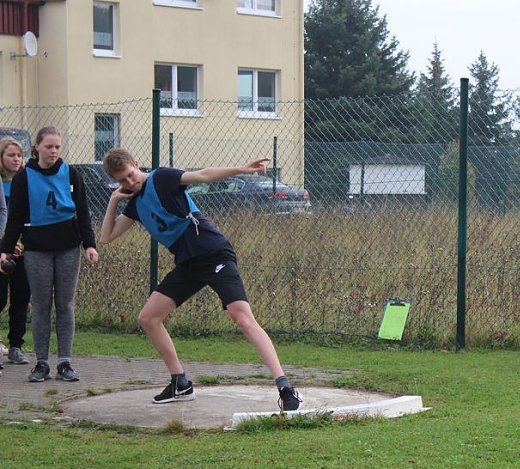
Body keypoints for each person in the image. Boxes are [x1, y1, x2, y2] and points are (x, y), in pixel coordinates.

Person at [99, 148, 302, 410]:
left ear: (136, 164)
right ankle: (180, 383)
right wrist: (114, 201)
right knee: (148, 318)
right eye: (122, 181)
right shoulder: (135, 205)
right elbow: (106, 236)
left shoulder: (161, 178)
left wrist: (241, 169)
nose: (129, 183)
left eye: (130, 175)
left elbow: (204, 176)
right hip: (188, 263)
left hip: (212, 252)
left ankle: (285, 387)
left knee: (242, 317)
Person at [0, 127, 99, 382]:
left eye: (57, 146)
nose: (53, 151)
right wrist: (5, 249)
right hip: (36, 250)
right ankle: (41, 363)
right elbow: (16, 217)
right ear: (37, 148)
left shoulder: (71, 174)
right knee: (42, 306)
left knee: (65, 305)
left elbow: (83, 212)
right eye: (48, 147)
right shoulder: (24, 177)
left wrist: (89, 244)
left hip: (68, 247)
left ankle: (65, 362)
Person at [0, 138, 32, 367]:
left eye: (19, 155)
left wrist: (19, 241)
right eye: (11, 155)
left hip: (22, 249)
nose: (16, 159)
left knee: (21, 298)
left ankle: (15, 346)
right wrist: (6, 243)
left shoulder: (25, 183)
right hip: (2, 250)